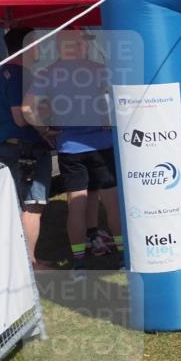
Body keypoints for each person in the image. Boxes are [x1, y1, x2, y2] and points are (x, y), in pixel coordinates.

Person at [23, 29, 122, 280]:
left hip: (69, 148)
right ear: (72, 45)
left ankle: (79, 264)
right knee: (111, 202)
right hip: (101, 145)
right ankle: (124, 258)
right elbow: (120, 98)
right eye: (82, 42)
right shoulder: (98, 69)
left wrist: (44, 130)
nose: (86, 46)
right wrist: (109, 119)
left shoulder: (47, 73)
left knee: (76, 205)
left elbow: (27, 109)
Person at [0, 28, 53, 269]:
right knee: (33, 205)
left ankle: (18, 264)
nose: (39, 48)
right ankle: (30, 264)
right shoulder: (21, 75)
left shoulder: (2, 73)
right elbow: (21, 117)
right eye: (36, 43)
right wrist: (46, 128)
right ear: (26, 46)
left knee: (15, 205)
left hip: (8, 145)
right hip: (26, 148)